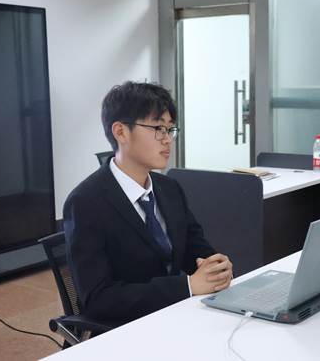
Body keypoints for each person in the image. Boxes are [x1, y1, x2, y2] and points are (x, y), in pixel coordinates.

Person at [63, 81, 233, 325]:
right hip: (129, 329)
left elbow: (195, 249)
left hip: (177, 316)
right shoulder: (85, 203)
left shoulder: (169, 188)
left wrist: (216, 266)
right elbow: (98, 300)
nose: (168, 140)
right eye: (158, 128)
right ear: (121, 132)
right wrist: (186, 286)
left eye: (170, 129)